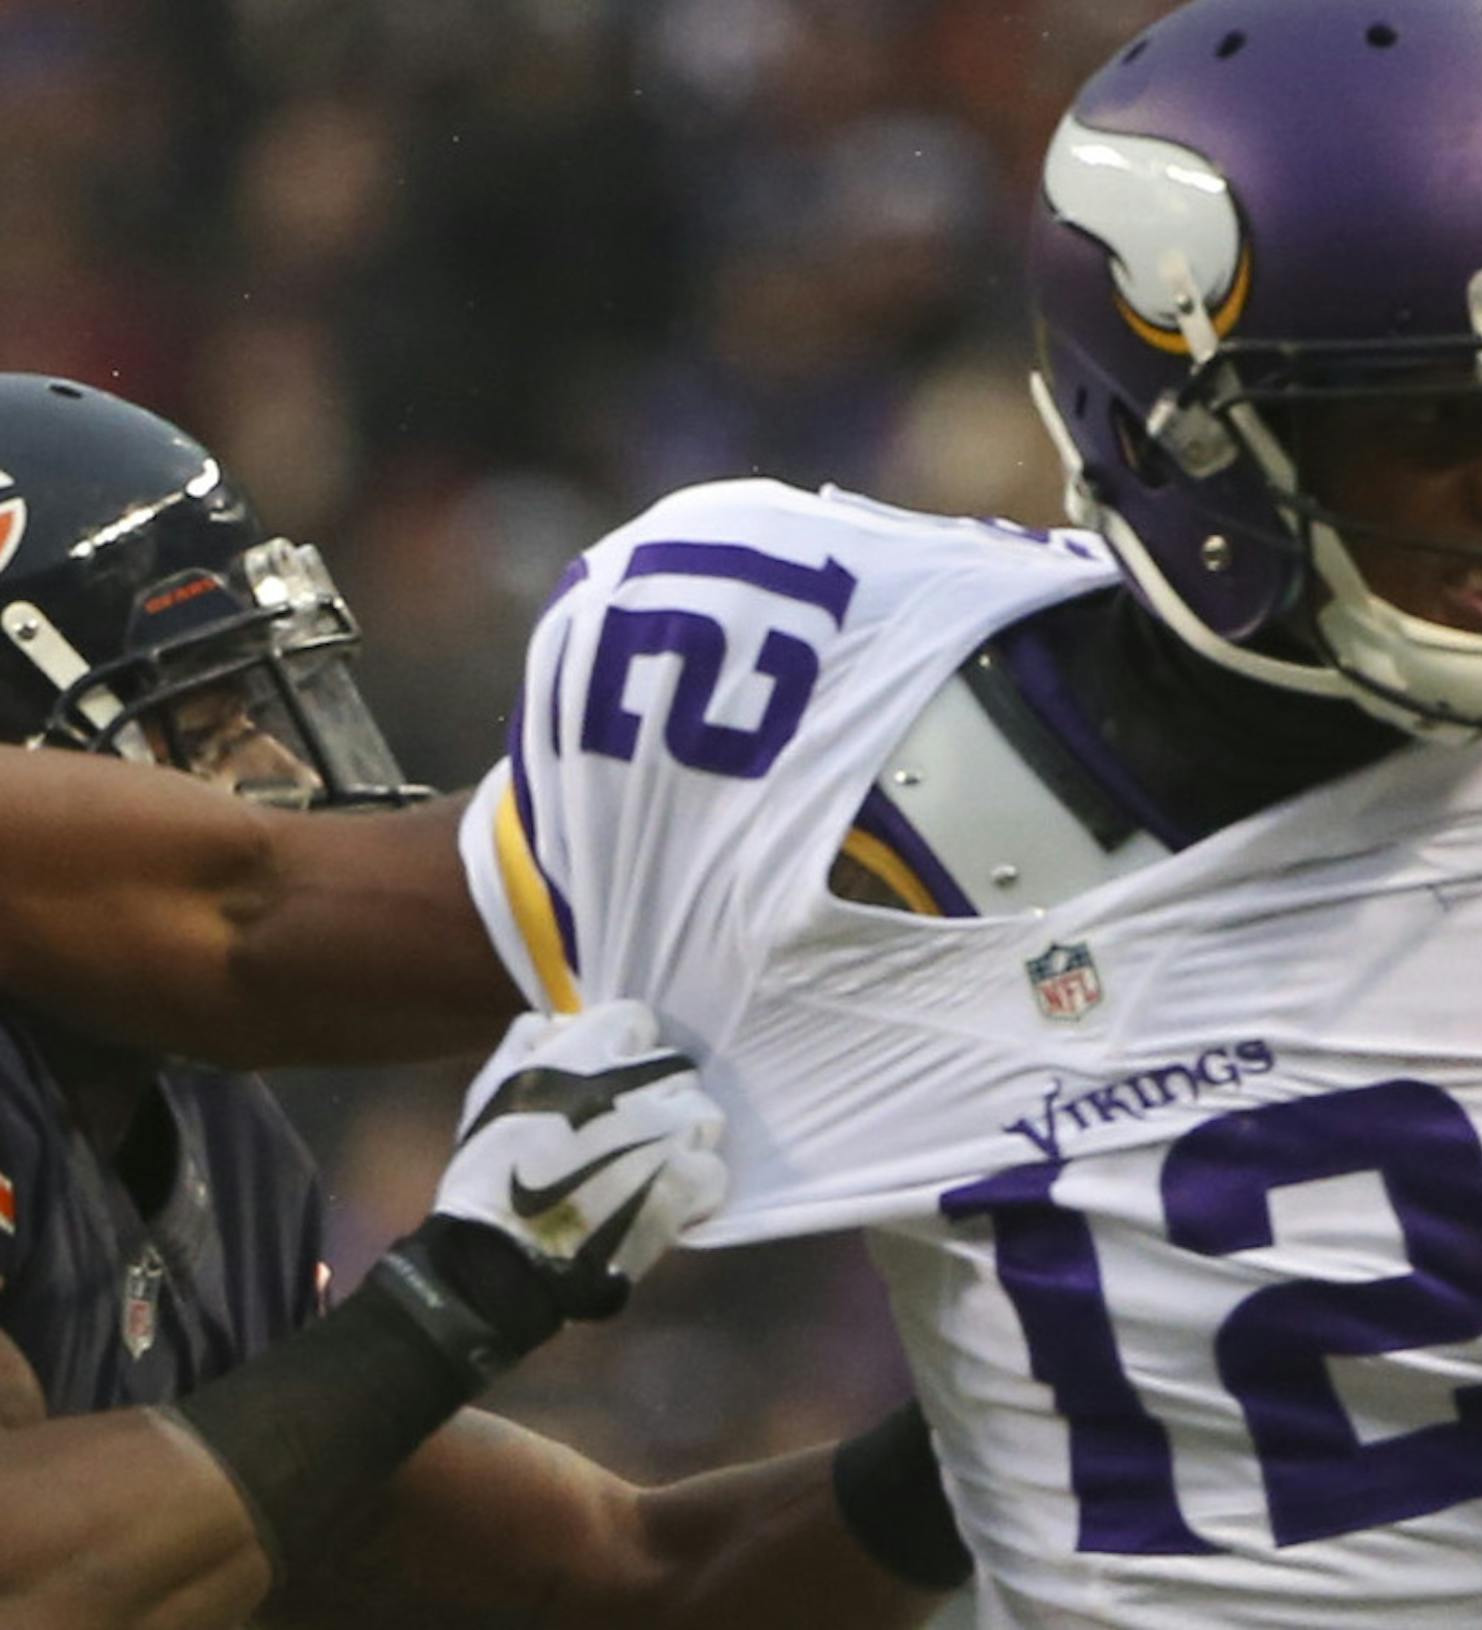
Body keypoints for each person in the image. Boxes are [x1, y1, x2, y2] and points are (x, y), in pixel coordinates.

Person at [0, 1, 1482, 1624]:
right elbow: (250, 921)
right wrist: (461, 1294)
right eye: (1441, 418)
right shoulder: (794, 718)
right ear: (1184, 433)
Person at [0, 375, 968, 1629]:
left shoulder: (209, 1139)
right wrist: (450, 1302)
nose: (280, 767)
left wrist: (1014, 1423)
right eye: (199, 721)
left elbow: (618, 1576)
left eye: (254, 705)